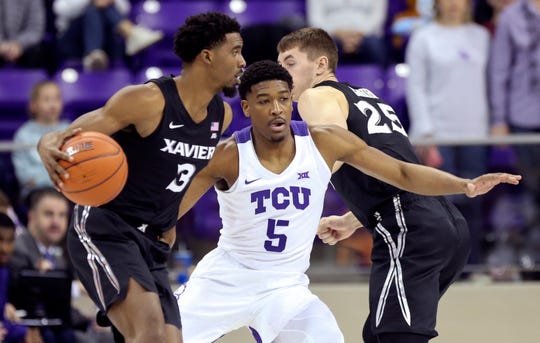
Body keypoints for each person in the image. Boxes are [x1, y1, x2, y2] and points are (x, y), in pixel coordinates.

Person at [174, 60, 520, 343]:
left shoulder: (325, 142)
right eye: (264, 101)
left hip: (285, 286)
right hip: (227, 278)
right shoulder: (226, 156)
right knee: (154, 336)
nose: (276, 108)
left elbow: (401, 172)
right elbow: (168, 210)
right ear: (247, 107)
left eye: (283, 98)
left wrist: (464, 185)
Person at [276, 27, 497, 342]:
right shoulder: (366, 97)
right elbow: (390, 168)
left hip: (409, 226)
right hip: (443, 224)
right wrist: (353, 219)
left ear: (321, 65)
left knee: (396, 335)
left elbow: (332, 154)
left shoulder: (316, 95)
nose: (281, 72)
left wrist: (283, 190)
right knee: (380, 334)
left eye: (290, 62)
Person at [37, 11, 246, 343]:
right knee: (148, 332)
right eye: (235, 51)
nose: (242, 62)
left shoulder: (222, 116)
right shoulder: (148, 100)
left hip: (152, 243)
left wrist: (169, 219)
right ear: (207, 55)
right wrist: (47, 141)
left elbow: (187, 174)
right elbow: (70, 134)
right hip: (107, 226)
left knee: (169, 339)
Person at [405, 0, 491, 264]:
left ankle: (472, 265)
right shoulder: (423, 38)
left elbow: (491, 82)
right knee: (444, 204)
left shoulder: (482, 36)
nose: (454, 4)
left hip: (476, 132)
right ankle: (443, 265)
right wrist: (425, 130)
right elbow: (415, 87)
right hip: (438, 133)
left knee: (475, 200)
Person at [489, 0, 540, 277]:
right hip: (524, 117)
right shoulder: (511, 16)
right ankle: (532, 262)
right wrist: (499, 119)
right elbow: (500, 70)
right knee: (531, 191)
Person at [53, 0, 163, 71]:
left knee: (98, 9)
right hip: (73, 40)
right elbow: (60, 9)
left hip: (107, 40)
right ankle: (132, 33)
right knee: (92, 10)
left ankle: (94, 54)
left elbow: (125, 9)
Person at [12, 81, 70, 202]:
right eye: (46, 99)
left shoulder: (69, 129)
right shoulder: (23, 134)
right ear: (33, 105)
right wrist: (55, 178)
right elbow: (25, 175)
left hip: (67, 189)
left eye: (56, 98)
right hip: (36, 192)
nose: (52, 104)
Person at [0, 212, 44, 343]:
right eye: (0, 240)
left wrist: (25, 333)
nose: (4, 248)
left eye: (10, 241)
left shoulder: (4, 271)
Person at [306, 0, 388, 65]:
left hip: (366, 34)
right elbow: (316, 19)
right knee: (326, 47)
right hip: (332, 34)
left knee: (374, 45)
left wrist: (358, 35)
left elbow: (377, 17)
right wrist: (337, 33)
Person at [0, 0, 45, 69]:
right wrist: (2, 45)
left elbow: (35, 30)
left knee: (36, 53)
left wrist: (18, 44)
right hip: (2, 45)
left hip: (24, 47)